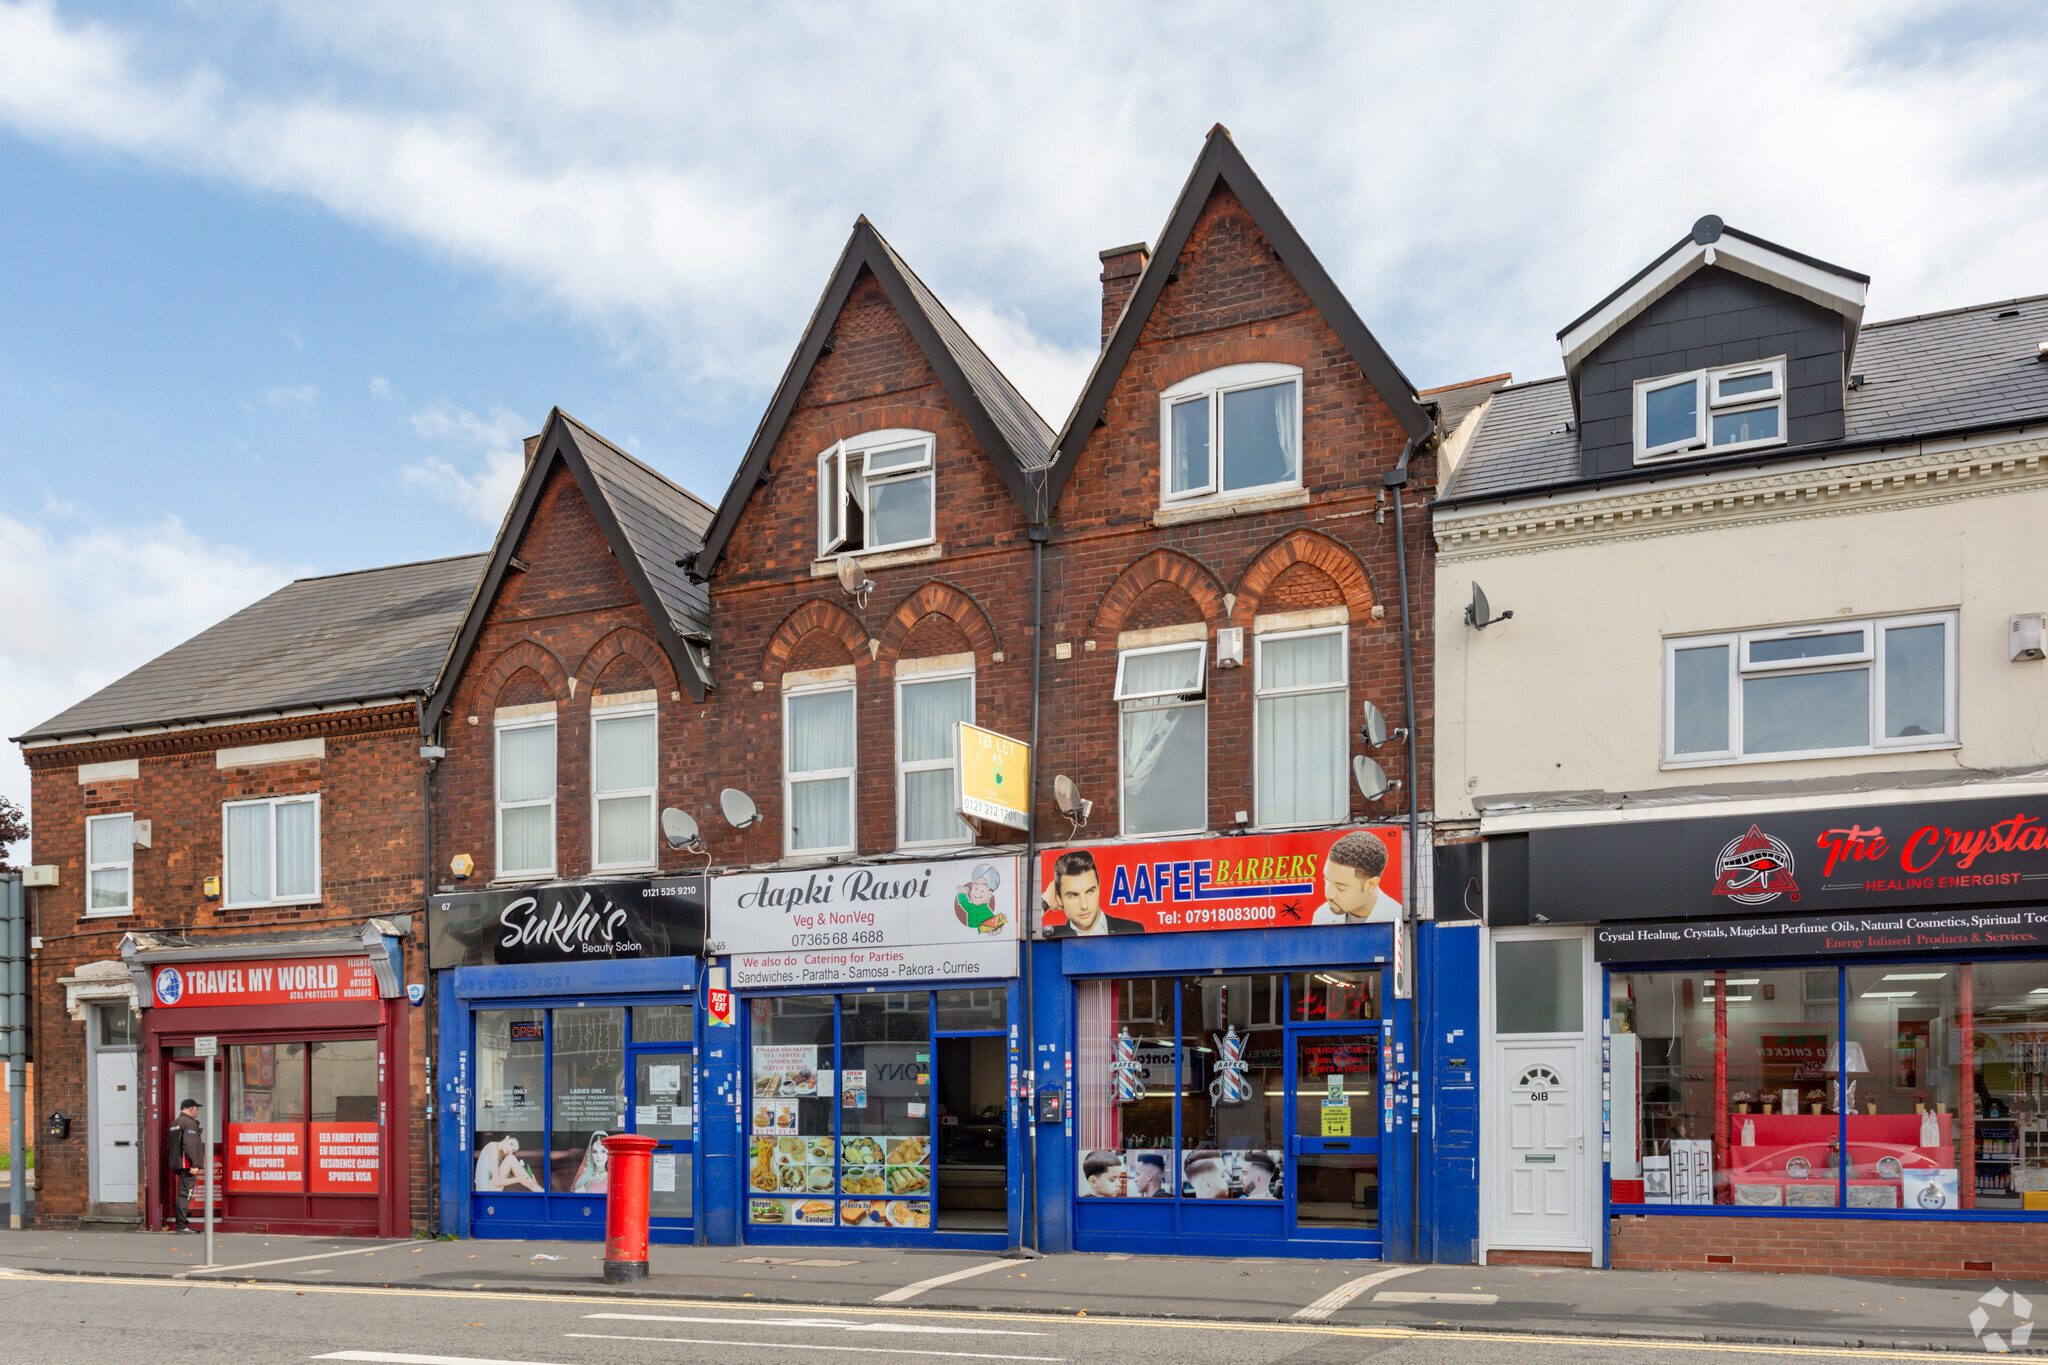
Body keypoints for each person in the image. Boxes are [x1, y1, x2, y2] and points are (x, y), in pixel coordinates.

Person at [1042, 850, 1145, 937]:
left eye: (1090, 891)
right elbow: (1027, 929)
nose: (1084, 905)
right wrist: (1045, 902)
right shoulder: (1053, 934)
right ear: (1059, 898)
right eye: (1073, 895)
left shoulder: (1133, 929)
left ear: (1099, 888)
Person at [1312, 830, 1402, 925]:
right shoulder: (1322, 915)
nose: (1329, 894)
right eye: (1328, 880)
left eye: (1341, 888)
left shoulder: (1396, 917)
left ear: (1371, 884)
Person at [168, 1098, 204, 1232]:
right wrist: (194, 1164)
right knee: (185, 1194)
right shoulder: (189, 1123)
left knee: (183, 1193)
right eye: (196, 1108)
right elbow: (189, 1144)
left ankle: (181, 1224)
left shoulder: (174, 1124)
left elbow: (169, 1145)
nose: (198, 1111)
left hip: (177, 1163)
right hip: (187, 1165)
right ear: (191, 1108)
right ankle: (181, 1226)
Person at [474, 1134, 544, 1192]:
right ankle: (540, 1191)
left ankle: (538, 1189)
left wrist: (525, 1177)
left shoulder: (498, 1152)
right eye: (511, 1144)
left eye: (513, 1150)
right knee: (511, 1158)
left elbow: (505, 1175)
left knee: (511, 1158)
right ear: (507, 1137)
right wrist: (519, 1179)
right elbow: (497, 1182)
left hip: (487, 1189)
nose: (510, 1149)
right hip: (483, 1191)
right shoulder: (493, 1148)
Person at [954, 864, 1008, 935]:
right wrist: (961, 893)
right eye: (975, 888)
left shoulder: (988, 912)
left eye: (982, 890)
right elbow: (964, 903)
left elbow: (989, 925)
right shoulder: (971, 907)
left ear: (990, 893)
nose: (977, 892)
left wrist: (997, 924)